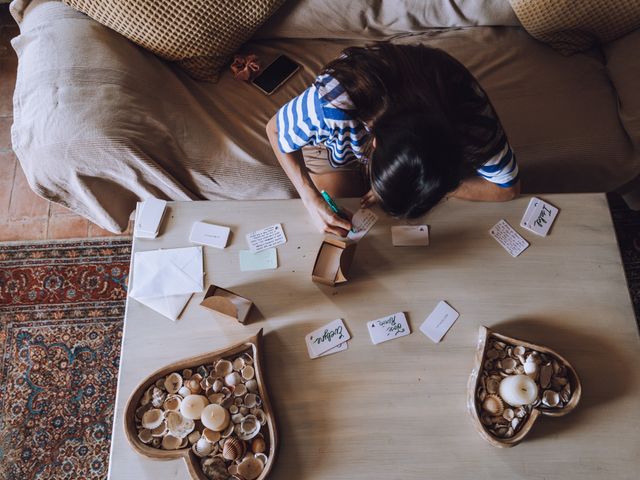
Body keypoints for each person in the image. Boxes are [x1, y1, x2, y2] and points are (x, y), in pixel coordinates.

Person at [266, 43, 520, 237]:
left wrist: (434, 186)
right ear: (374, 141)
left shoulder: (470, 120)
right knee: (340, 228)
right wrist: (311, 199)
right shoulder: (335, 100)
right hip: (336, 145)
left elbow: (507, 189)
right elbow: (274, 130)